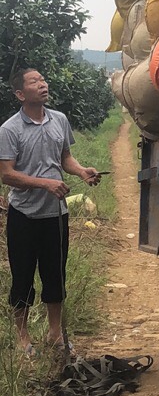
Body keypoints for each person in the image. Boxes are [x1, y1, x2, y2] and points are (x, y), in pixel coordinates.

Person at [0, 68, 101, 353]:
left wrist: (81, 172)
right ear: (20, 94)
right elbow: (6, 175)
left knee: (55, 274)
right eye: (35, 82)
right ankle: (22, 336)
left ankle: (55, 334)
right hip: (24, 215)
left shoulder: (59, 120)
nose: (43, 84)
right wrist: (44, 184)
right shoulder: (9, 130)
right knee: (22, 276)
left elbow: (65, 157)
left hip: (55, 215)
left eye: (43, 80)